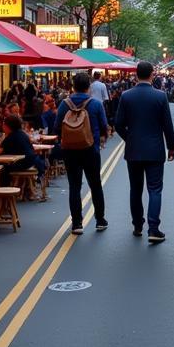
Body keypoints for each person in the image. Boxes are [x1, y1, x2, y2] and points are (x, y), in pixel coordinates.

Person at [114, 60, 174, 243]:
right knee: (155, 190)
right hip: (155, 149)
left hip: (134, 149)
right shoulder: (160, 96)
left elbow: (118, 124)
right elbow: (167, 125)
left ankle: (137, 225)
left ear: (135, 74)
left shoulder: (126, 96)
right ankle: (153, 228)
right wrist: (170, 146)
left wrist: (129, 137)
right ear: (152, 75)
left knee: (136, 189)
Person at [55, 71, 109, 235]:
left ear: (73, 86)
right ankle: (100, 220)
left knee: (74, 186)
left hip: (70, 151)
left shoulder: (64, 104)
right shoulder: (95, 104)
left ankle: (77, 223)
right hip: (90, 149)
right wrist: (101, 137)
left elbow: (57, 127)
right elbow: (104, 126)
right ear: (89, 87)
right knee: (95, 184)